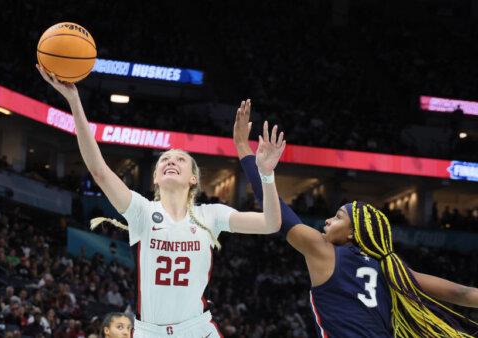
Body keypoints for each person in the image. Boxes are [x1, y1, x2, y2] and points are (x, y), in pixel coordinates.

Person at [37, 65, 286, 337]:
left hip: (197, 329)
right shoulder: (142, 212)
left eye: (180, 159)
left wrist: (267, 175)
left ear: (193, 178)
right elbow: (99, 171)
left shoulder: (211, 215)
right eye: (164, 159)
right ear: (155, 177)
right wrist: (74, 101)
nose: (170, 161)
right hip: (149, 332)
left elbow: (271, 223)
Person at [233, 99, 478, 337]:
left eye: (338, 217)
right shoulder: (391, 268)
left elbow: (278, 212)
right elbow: (462, 293)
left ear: (353, 233)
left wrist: (244, 148)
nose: (328, 221)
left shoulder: (324, 250)